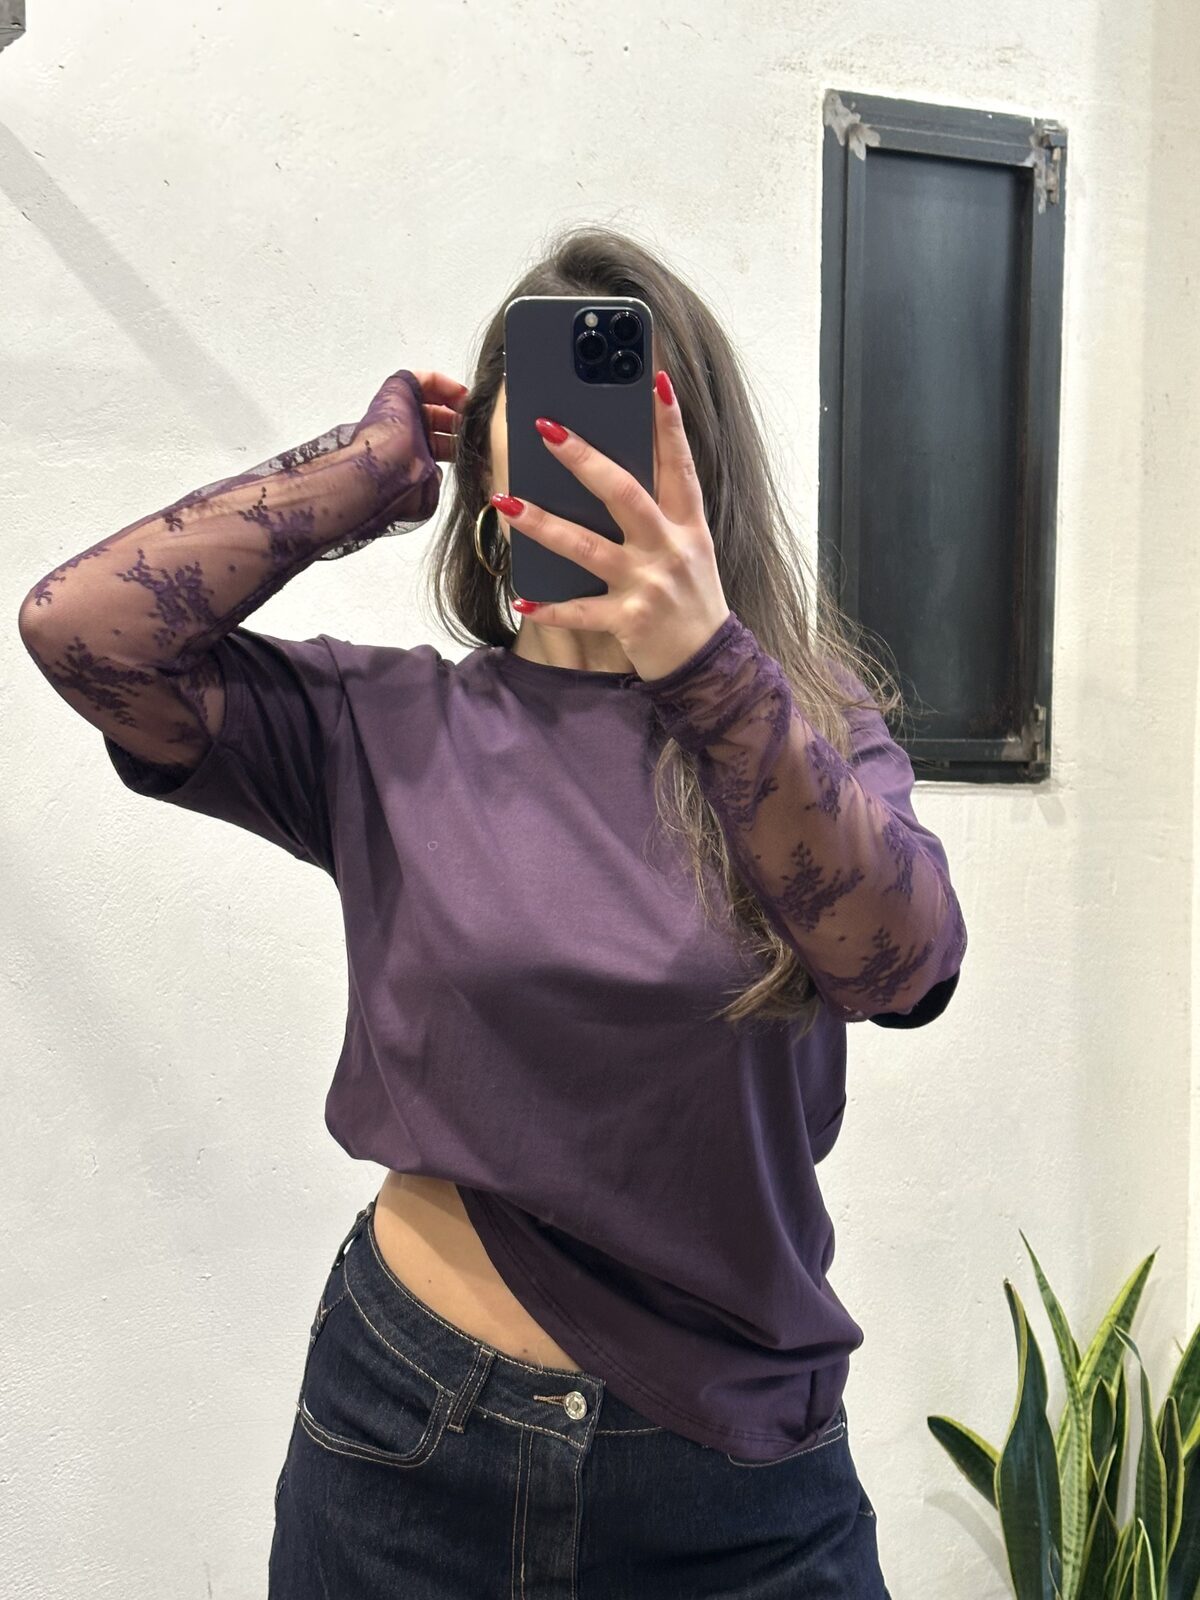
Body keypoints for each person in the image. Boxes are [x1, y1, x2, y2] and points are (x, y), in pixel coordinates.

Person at [17, 223, 965, 1598]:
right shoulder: (384, 726)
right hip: (412, 1430)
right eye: (550, 447)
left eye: (623, 449)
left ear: (699, 478)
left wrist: (704, 660)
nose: (585, 483)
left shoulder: (801, 733)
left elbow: (905, 966)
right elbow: (83, 630)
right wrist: (362, 474)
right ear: (488, 483)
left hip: (733, 1471)